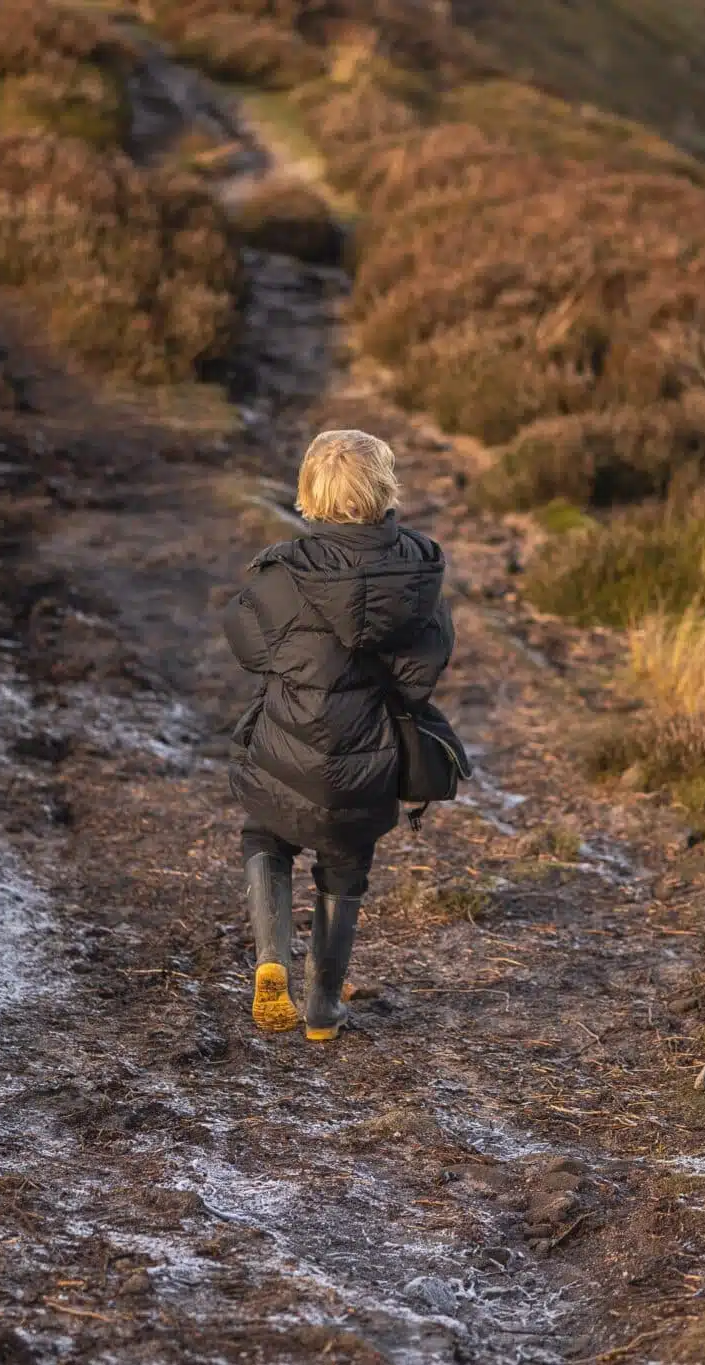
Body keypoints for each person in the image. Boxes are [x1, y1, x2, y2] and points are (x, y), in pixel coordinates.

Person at [222, 429, 454, 1041]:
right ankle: (323, 1008)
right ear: (384, 490)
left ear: (308, 495)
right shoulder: (418, 568)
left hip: (286, 743)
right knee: (345, 865)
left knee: (265, 832)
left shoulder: (285, 572)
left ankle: (272, 956)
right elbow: (424, 669)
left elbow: (247, 644)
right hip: (369, 757)